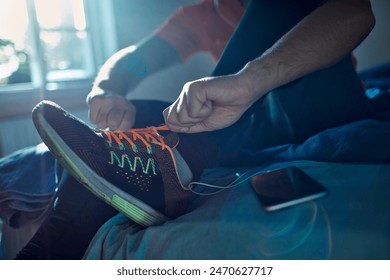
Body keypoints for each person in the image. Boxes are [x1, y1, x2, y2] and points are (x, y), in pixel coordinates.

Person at [15, 0, 376, 259]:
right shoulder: (205, 15)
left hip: (324, 110)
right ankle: (49, 249)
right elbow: (132, 62)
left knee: (279, 5)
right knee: (139, 119)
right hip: (252, 130)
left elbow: (357, 13)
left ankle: (178, 158)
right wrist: (108, 89)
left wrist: (248, 81)